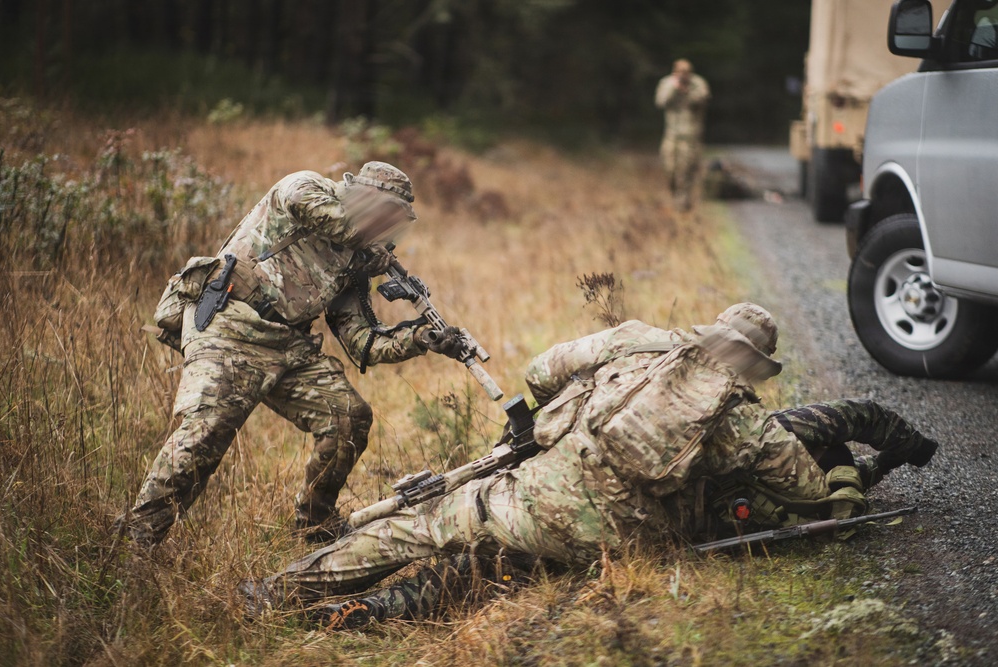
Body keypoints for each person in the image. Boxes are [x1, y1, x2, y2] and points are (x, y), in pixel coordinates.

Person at [242, 303, 937, 627]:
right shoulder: (747, 420)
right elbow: (812, 498)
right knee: (504, 567)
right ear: (753, 364)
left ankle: (277, 594)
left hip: (533, 490)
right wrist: (852, 480)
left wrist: (561, 415)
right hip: (618, 539)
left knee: (425, 522)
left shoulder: (638, 342)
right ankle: (365, 612)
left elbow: (542, 370)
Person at [121, 161, 464, 547]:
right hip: (230, 324)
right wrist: (370, 250)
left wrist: (421, 339)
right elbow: (340, 225)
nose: (387, 226)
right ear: (363, 197)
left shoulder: (356, 257)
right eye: (385, 214)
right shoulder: (305, 188)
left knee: (349, 417)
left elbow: (361, 341)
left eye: (394, 220)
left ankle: (314, 523)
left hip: (287, 344)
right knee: (206, 434)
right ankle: (136, 540)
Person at [655, 59, 711, 211]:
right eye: (679, 73)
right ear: (674, 72)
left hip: (691, 137)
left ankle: (682, 206)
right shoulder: (667, 83)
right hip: (671, 135)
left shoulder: (698, 84)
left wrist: (687, 90)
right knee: (670, 170)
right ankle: (677, 197)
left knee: (685, 172)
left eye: (685, 73)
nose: (682, 76)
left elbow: (703, 99)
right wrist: (675, 88)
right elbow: (660, 101)